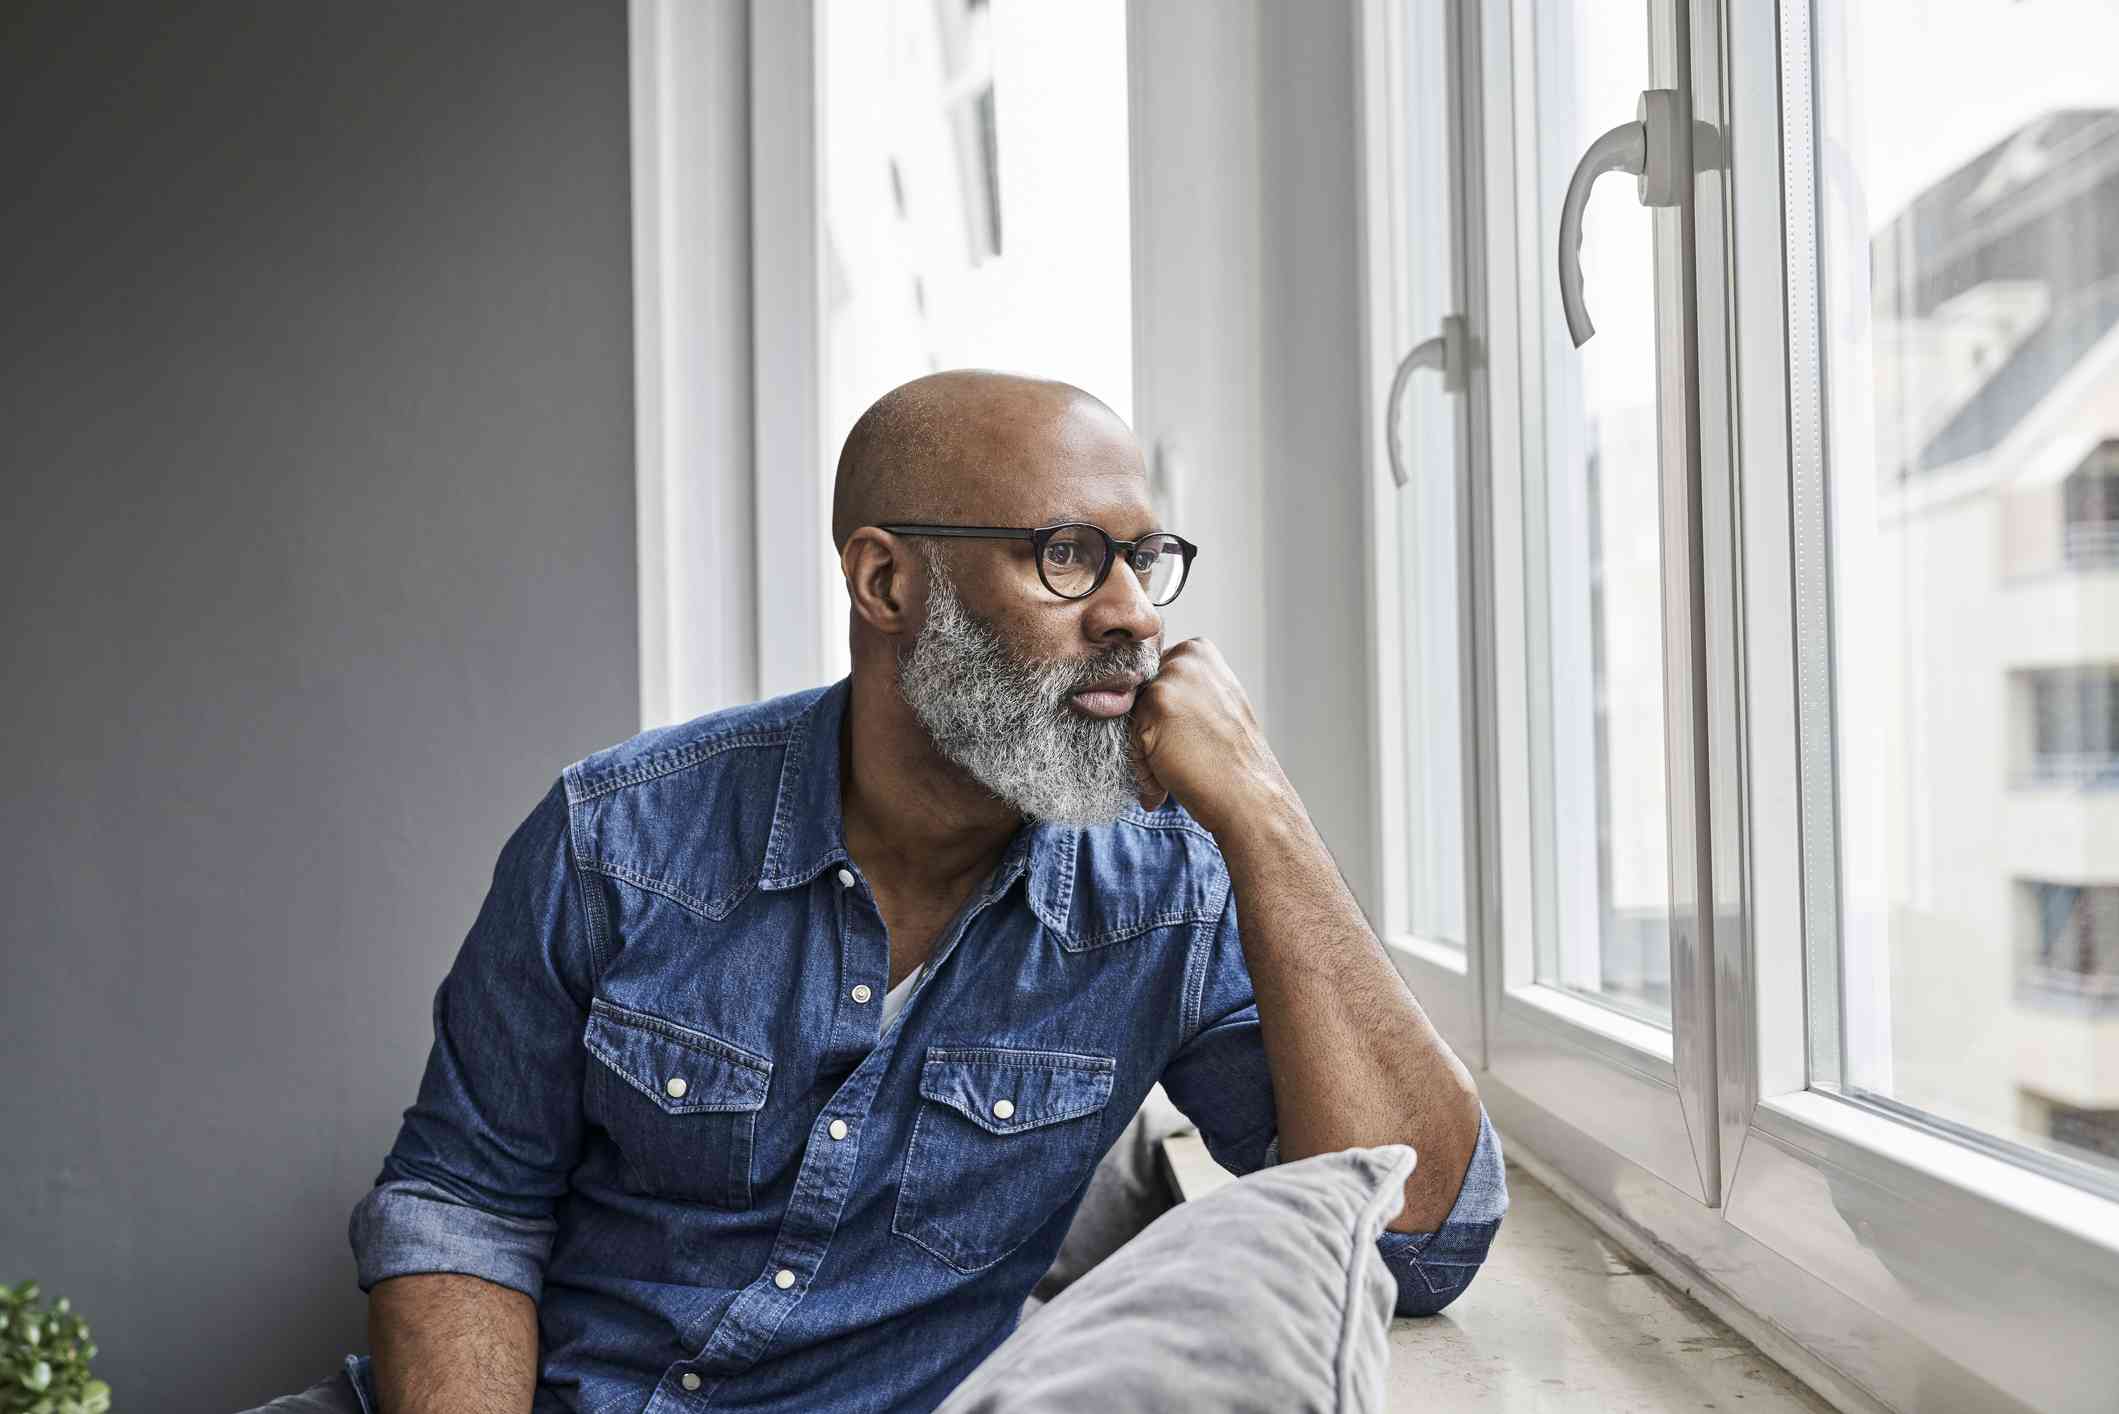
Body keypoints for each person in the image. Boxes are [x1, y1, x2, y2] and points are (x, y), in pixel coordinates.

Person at [246, 370, 1507, 1414]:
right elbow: (465, 1205)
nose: (1132, 615)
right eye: (1069, 556)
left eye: (1143, 557)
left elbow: (1420, 1236)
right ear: (887, 583)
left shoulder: (1166, 891)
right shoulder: (614, 837)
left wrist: (1265, 813)